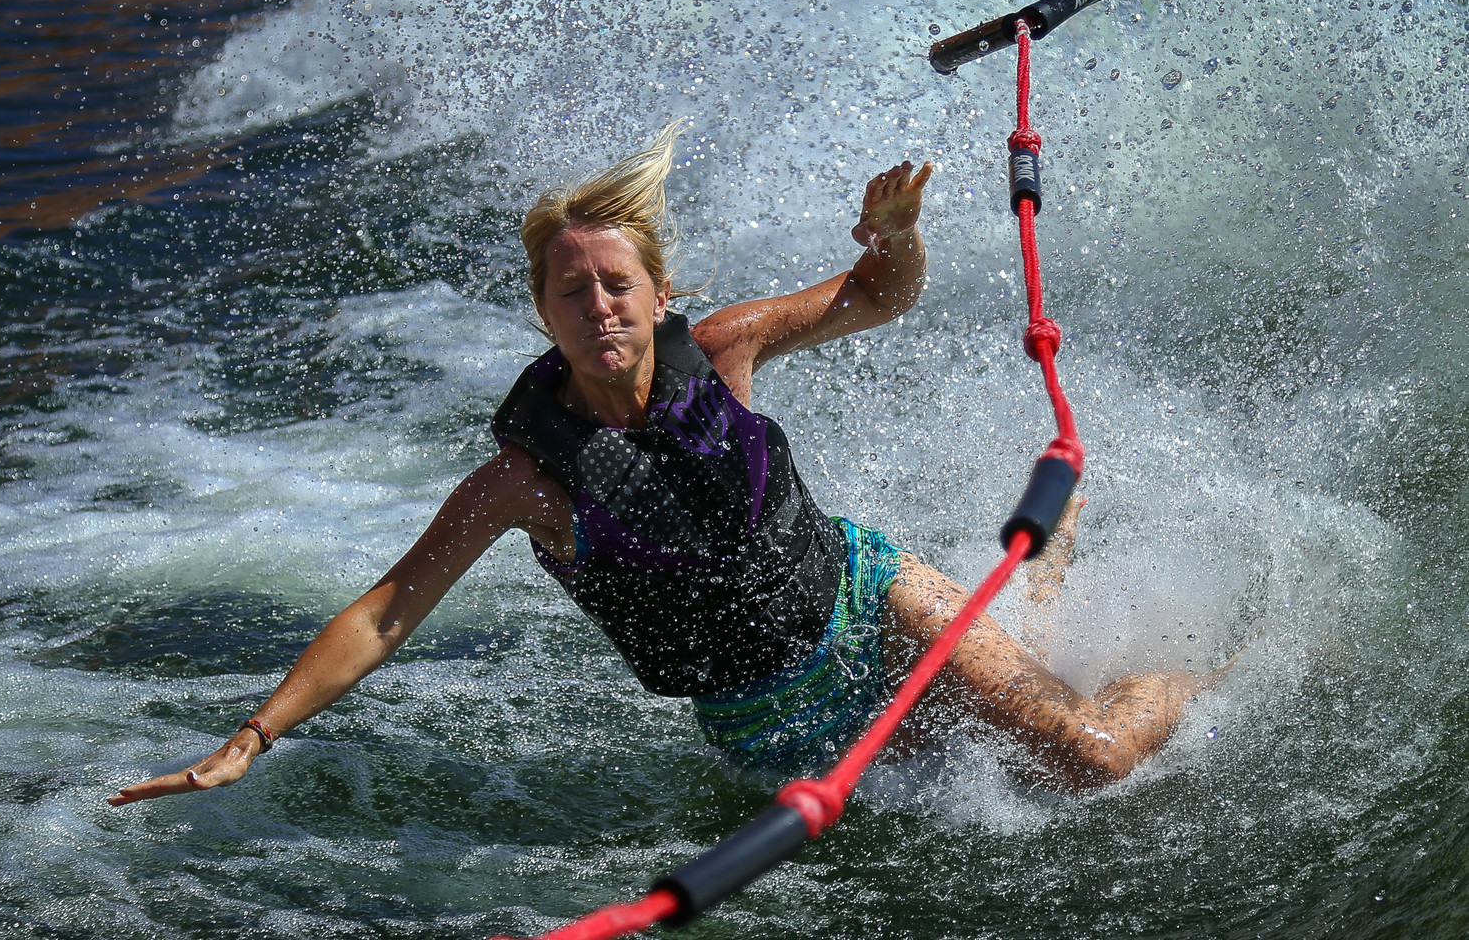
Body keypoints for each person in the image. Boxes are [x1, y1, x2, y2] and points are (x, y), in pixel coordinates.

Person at [109, 125, 1205, 806]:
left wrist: (894, 237)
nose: (599, 306)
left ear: (659, 294)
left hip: (872, 603)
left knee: (1088, 754)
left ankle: (1213, 675)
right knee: (993, 757)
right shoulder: (523, 483)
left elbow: (881, 296)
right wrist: (252, 736)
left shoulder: (722, 349)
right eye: (571, 290)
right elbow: (385, 611)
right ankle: (1046, 572)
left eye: (617, 284)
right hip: (766, 724)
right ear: (542, 311)